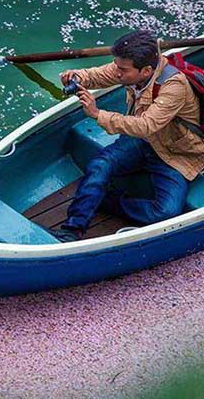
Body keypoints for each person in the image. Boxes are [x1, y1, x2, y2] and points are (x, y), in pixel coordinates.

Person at [50, 29, 204, 242]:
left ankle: (107, 201)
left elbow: (144, 125)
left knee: (165, 213)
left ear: (146, 70)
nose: (117, 73)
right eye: (117, 66)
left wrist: (97, 114)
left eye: (122, 69)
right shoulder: (130, 68)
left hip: (175, 154)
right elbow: (99, 74)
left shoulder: (174, 86)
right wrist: (78, 77)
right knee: (100, 165)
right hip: (143, 142)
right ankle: (73, 229)